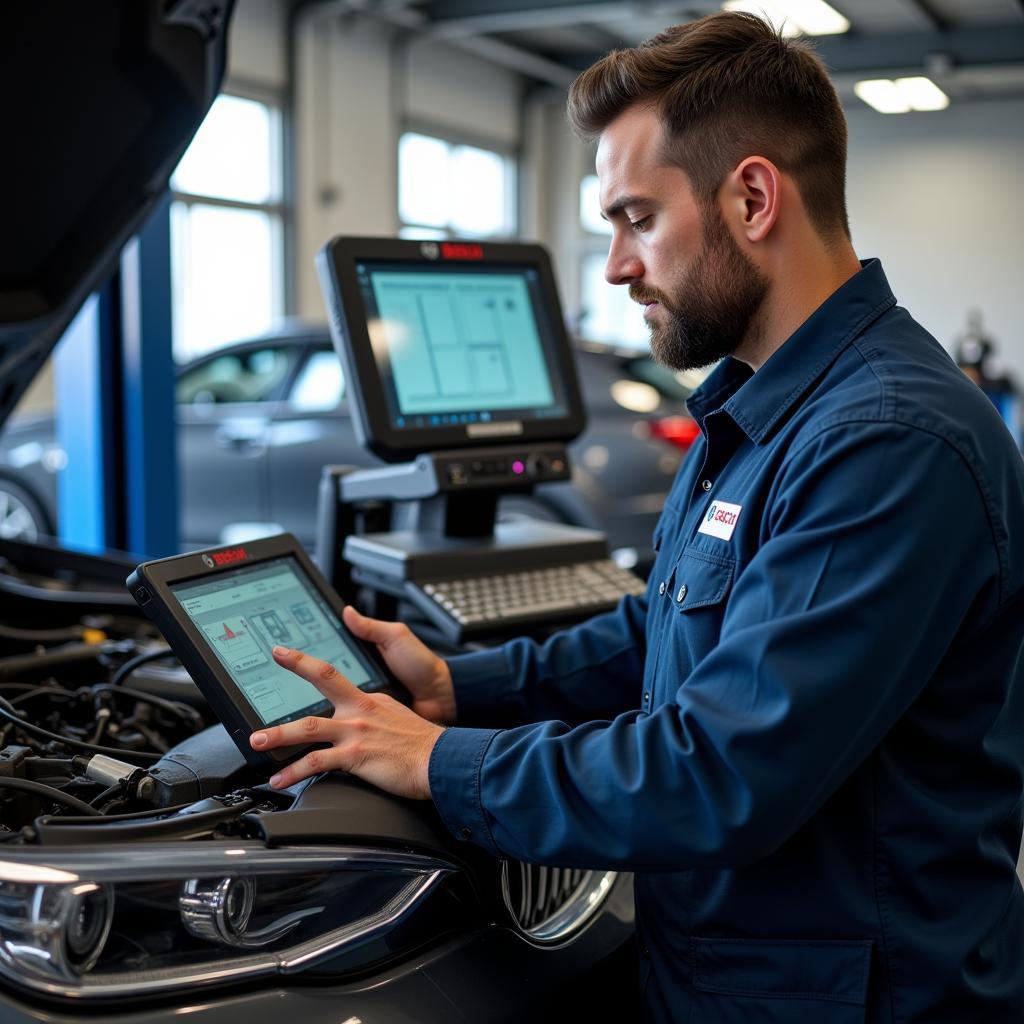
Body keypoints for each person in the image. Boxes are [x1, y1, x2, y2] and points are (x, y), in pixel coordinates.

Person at [250, 13, 1024, 1022]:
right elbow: (667, 628)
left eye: (635, 218)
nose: (614, 266)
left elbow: (719, 773)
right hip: (726, 971)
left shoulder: (886, 441)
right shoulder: (762, 406)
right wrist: (459, 687)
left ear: (751, 196)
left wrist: (439, 762)